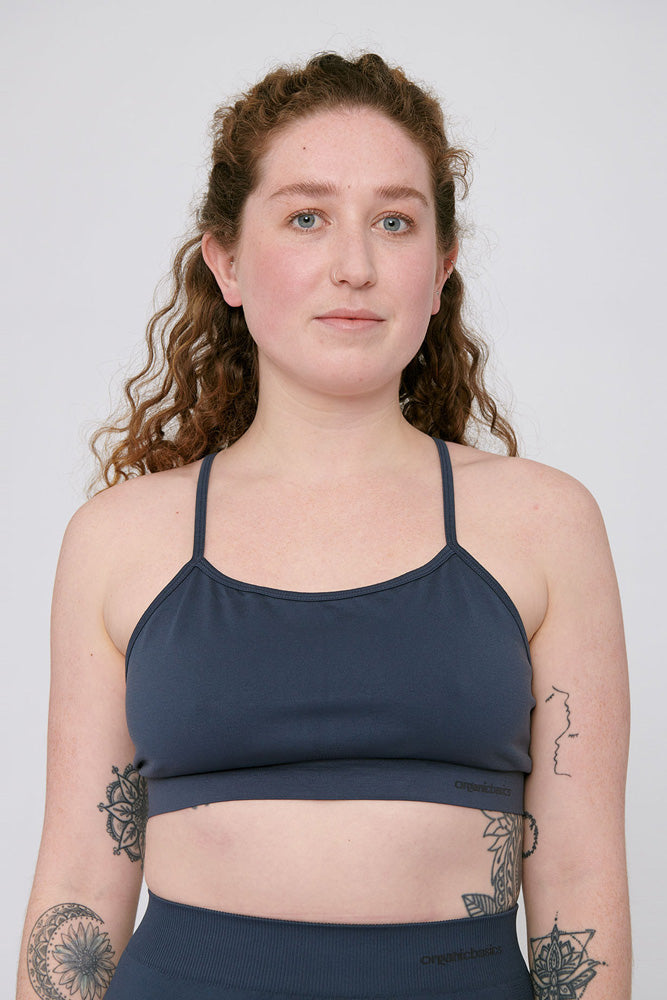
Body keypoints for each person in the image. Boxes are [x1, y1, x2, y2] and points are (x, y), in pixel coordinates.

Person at [16, 51, 631, 1000]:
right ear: (226, 261)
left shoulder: (546, 524)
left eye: (395, 221)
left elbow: (580, 883)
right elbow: (77, 888)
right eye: (307, 218)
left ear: (441, 269)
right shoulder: (118, 539)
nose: (354, 266)